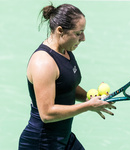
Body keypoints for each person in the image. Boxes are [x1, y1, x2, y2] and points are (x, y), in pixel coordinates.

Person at [18, 3, 116, 150]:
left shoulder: (65, 51)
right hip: (41, 143)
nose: (83, 38)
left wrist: (91, 98)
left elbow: (66, 85)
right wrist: (88, 106)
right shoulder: (43, 63)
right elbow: (47, 113)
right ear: (60, 31)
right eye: (78, 33)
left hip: (64, 138)